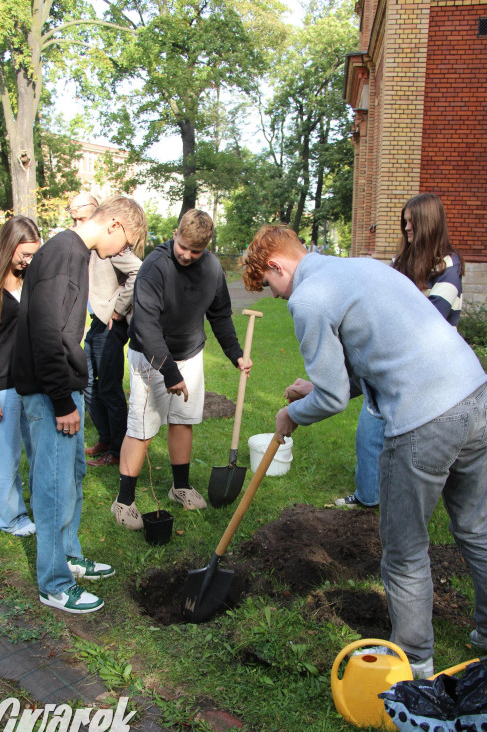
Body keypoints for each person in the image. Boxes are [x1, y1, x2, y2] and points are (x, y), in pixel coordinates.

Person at [241, 223, 487, 677]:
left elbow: (332, 400)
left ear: (277, 264)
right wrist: (315, 385)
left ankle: (413, 664)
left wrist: (291, 415)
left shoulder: (309, 299)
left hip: (423, 418)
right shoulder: (365, 270)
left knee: (404, 550)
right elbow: (377, 354)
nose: (275, 295)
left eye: (269, 284)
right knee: (475, 527)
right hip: (474, 394)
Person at [12, 195, 148, 614]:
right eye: (126, 244)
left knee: (71, 474)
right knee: (52, 487)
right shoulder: (62, 255)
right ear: (114, 226)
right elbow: (47, 334)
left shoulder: (75, 252)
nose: (122, 253)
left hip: (64, 390)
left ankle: (68, 555)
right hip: (50, 394)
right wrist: (61, 400)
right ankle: (53, 582)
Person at [112, 209, 251, 529]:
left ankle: (181, 487)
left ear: (207, 247)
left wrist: (236, 354)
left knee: (182, 421)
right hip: (150, 359)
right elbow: (146, 327)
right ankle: (123, 501)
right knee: (142, 429)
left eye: (196, 251)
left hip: (190, 356)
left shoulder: (212, 268)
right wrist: (170, 373)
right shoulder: (154, 267)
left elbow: (220, 315)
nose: (187, 255)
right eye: (183, 247)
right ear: (175, 233)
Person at [335, 193, 464, 508]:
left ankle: (410, 502)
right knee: (369, 434)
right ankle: (368, 497)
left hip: (430, 370)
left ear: (428, 223)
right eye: (404, 222)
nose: (406, 228)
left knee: (413, 445)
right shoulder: (399, 262)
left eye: (411, 222)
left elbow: (431, 318)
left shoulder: (448, 265)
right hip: (390, 363)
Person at [0, 216, 41, 536]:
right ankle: (11, 518)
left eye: (33, 255)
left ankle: (36, 507)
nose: (28, 261)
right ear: (8, 246)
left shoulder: (30, 279)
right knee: (5, 458)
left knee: (36, 450)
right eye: (24, 255)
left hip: (31, 382)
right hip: (1, 387)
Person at [69, 192, 143, 467]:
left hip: (110, 326)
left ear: (97, 213)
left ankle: (116, 450)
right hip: (95, 324)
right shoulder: (85, 244)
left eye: (81, 217)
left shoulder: (112, 245)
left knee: (109, 388)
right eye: (73, 217)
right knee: (87, 384)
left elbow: (139, 270)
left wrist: (118, 308)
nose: (77, 223)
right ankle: (104, 437)